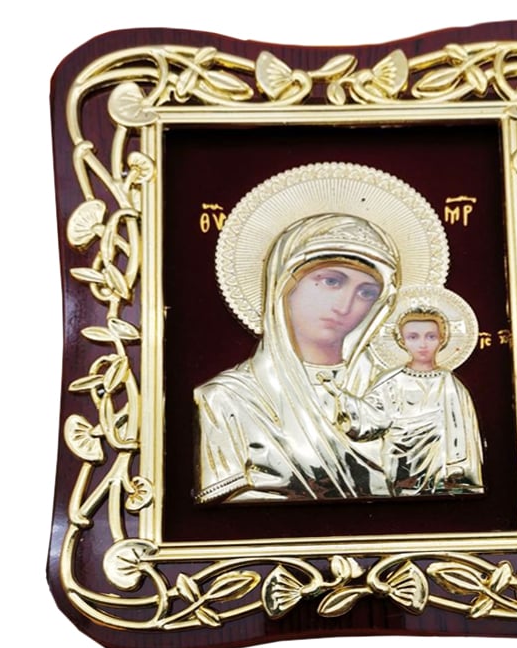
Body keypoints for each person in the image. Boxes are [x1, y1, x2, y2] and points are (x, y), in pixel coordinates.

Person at [193, 213, 399, 504]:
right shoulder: (228, 399)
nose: (345, 306)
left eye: (366, 292)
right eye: (331, 281)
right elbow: (225, 513)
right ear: (285, 284)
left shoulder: (394, 391)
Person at [353, 307, 484, 495]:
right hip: (399, 463)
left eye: (431, 337)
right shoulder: (390, 381)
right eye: (413, 337)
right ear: (402, 341)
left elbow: (464, 435)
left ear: (442, 339)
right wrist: (342, 401)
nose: (423, 344)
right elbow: (370, 419)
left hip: (441, 468)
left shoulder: (451, 385)